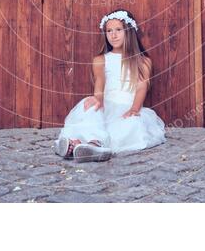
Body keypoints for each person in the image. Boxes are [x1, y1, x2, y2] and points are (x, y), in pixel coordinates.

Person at [53, 9, 166, 162]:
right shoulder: (101, 60)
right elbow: (99, 85)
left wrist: (134, 108)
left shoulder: (142, 61)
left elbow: (141, 87)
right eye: (109, 31)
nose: (113, 35)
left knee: (129, 125)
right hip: (107, 104)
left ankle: (94, 146)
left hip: (127, 107)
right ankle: (74, 144)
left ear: (129, 32)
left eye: (118, 30)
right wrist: (98, 99)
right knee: (91, 111)